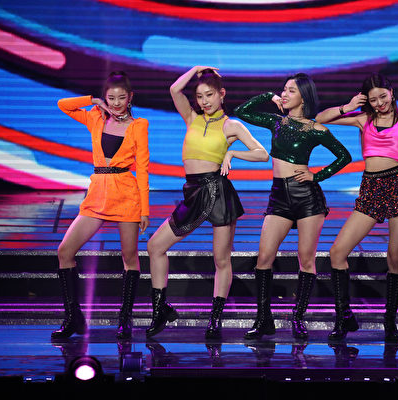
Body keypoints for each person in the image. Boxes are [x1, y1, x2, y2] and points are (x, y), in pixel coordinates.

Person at [146, 66, 268, 339]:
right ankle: (161, 309)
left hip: (217, 191)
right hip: (193, 192)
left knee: (221, 259)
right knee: (155, 246)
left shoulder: (231, 125)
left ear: (222, 94)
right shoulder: (191, 118)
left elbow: (262, 154)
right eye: (200, 96)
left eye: (209, 95)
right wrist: (195, 70)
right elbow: (174, 89)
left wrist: (233, 154)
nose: (204, 101)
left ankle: (215, 320)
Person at [234, 73, 352, 340]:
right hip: (278, 197)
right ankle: (264, 320)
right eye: (283, 90)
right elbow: (241, 111)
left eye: (290, 91)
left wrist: (316, 175)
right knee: (264, 258)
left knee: (306, 260)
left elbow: (344, 156)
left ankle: (298, 318)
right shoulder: (276, 122)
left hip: (307, 198)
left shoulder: (315, 129)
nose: (284, 94)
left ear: (303, 97)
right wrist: (268, 96)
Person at [316, 73, 398, 342]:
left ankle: (390, 321)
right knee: (337, 252)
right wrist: (349, 106)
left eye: (383, 97)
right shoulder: (363, 119)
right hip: (371, 187)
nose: (379, 103)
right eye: (373, 99)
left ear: (392, 92)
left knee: (394, 258)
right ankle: (344, 316)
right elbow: (320, 119)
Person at [53, 71, 149, 340]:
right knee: (65, 251)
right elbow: (63, 105)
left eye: (121, 98)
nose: (116, 103)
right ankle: (74, 318)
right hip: (97, 195)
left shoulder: (139, 125)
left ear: (130, 98)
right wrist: (92, 100)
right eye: (111, 98)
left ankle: (125, 319)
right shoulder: (95, 117)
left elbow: (143, 169)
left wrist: (144, 210)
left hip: (126, 194)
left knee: (129, 258)